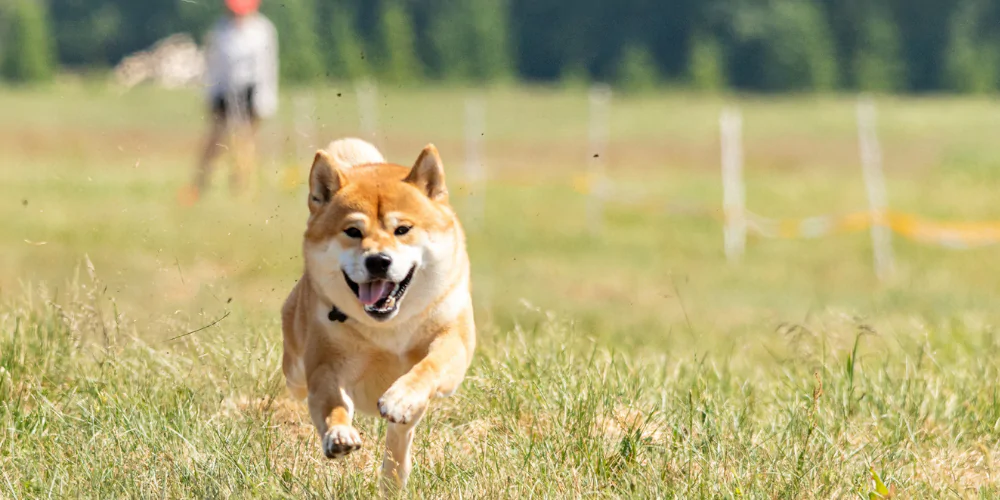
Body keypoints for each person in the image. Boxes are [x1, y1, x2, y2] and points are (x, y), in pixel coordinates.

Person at [179, 0, 278, 204]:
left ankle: (243, 189)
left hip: (251, 94)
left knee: (244, 144)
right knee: (215, 142)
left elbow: (267, 68)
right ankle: (199, 185)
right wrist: (210, 95)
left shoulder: (264, 30)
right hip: (224, 93)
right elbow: (213, 66)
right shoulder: (220, 31)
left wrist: (265, 100)